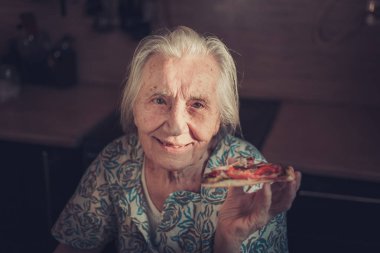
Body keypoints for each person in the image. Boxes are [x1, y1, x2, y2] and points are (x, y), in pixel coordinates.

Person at [52, 26, 301, 253]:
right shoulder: (116, 161)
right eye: (159, 100)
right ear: (134, 108)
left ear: (218, 121)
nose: (175, 126)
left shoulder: (249, 180)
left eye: (197, 104)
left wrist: (228, 239)